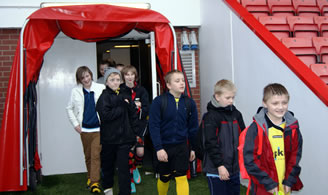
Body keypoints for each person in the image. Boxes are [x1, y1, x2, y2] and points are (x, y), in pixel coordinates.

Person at [243, 83, 303, 195]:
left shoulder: (293, 128)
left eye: (284, 103)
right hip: (263, 187)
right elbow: (250, 160)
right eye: (275, 103)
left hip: (284, 187)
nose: (280, 107)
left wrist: (289, 181)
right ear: (264, 103)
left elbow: (295, 158)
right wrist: (268, 183)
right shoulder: (256, 128)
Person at [148, 70, 199, 195]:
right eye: (177, 81)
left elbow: (193, 128)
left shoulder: (190, 103)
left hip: (181, 147)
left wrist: (193, 148)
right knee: (164, 177)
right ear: (169, 85)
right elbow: (153, 126)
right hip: (163, 147)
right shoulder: (159, 102)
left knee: (181, 177)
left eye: (182, 80)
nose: (182, 83)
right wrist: (159, 148)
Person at [96, 67, 139, 195]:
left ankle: (125, 192)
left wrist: (134, 133)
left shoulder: (125, 95)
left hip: (124, 140)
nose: (115, 82)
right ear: (106, 82)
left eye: (117, 79)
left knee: (124, 169)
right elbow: (105, 115)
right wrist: (122, 107)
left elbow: (133, 115)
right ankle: (108, 188)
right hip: (109, 140)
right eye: (112, 79)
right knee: (108, 167)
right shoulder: (104, 97)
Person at [202, 79, 245, 195]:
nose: (231, 101)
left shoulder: (237, 114)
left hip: (234, 169)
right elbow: (210, 143)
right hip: (216, 170)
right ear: (217, 97)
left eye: (233, 97)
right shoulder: (210, 117)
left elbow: (243, 139)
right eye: (228, 98)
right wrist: (220, 166)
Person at [66, 66, 105, 193]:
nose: (86, 79)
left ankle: (94, 183)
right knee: (88, 156)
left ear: (91, 75)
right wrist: (75, 124)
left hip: (99, 129)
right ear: (79, 80)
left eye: (87, 76)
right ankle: (90, 177)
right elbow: (69, 108)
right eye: (82, 78)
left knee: (95, 156)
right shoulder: (75, 91)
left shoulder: (101, 88)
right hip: (84, 130)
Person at [120, 65, 150, 193]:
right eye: (127, 74)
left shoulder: (142, 90)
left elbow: (146, 108)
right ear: (124, 77)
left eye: (132, 74)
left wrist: (136, 108)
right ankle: (130, 180)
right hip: (126, 127)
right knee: (128, 155)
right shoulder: (120, 90)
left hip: (139, 126)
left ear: (135, 76)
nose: (130, 77)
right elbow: (121, 109)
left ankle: (136, 166)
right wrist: (135, 106)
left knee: (140, 153)